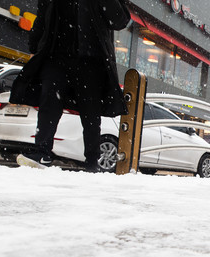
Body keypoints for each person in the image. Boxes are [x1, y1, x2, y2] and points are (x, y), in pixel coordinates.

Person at [10, 0, 131, 171]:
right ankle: (42, 151)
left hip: (90, 60)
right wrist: (34, 48)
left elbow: (119, 21)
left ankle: (92, 159)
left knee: (90, 112)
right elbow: (42, 19)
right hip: (55, 56)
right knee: (49, 102)